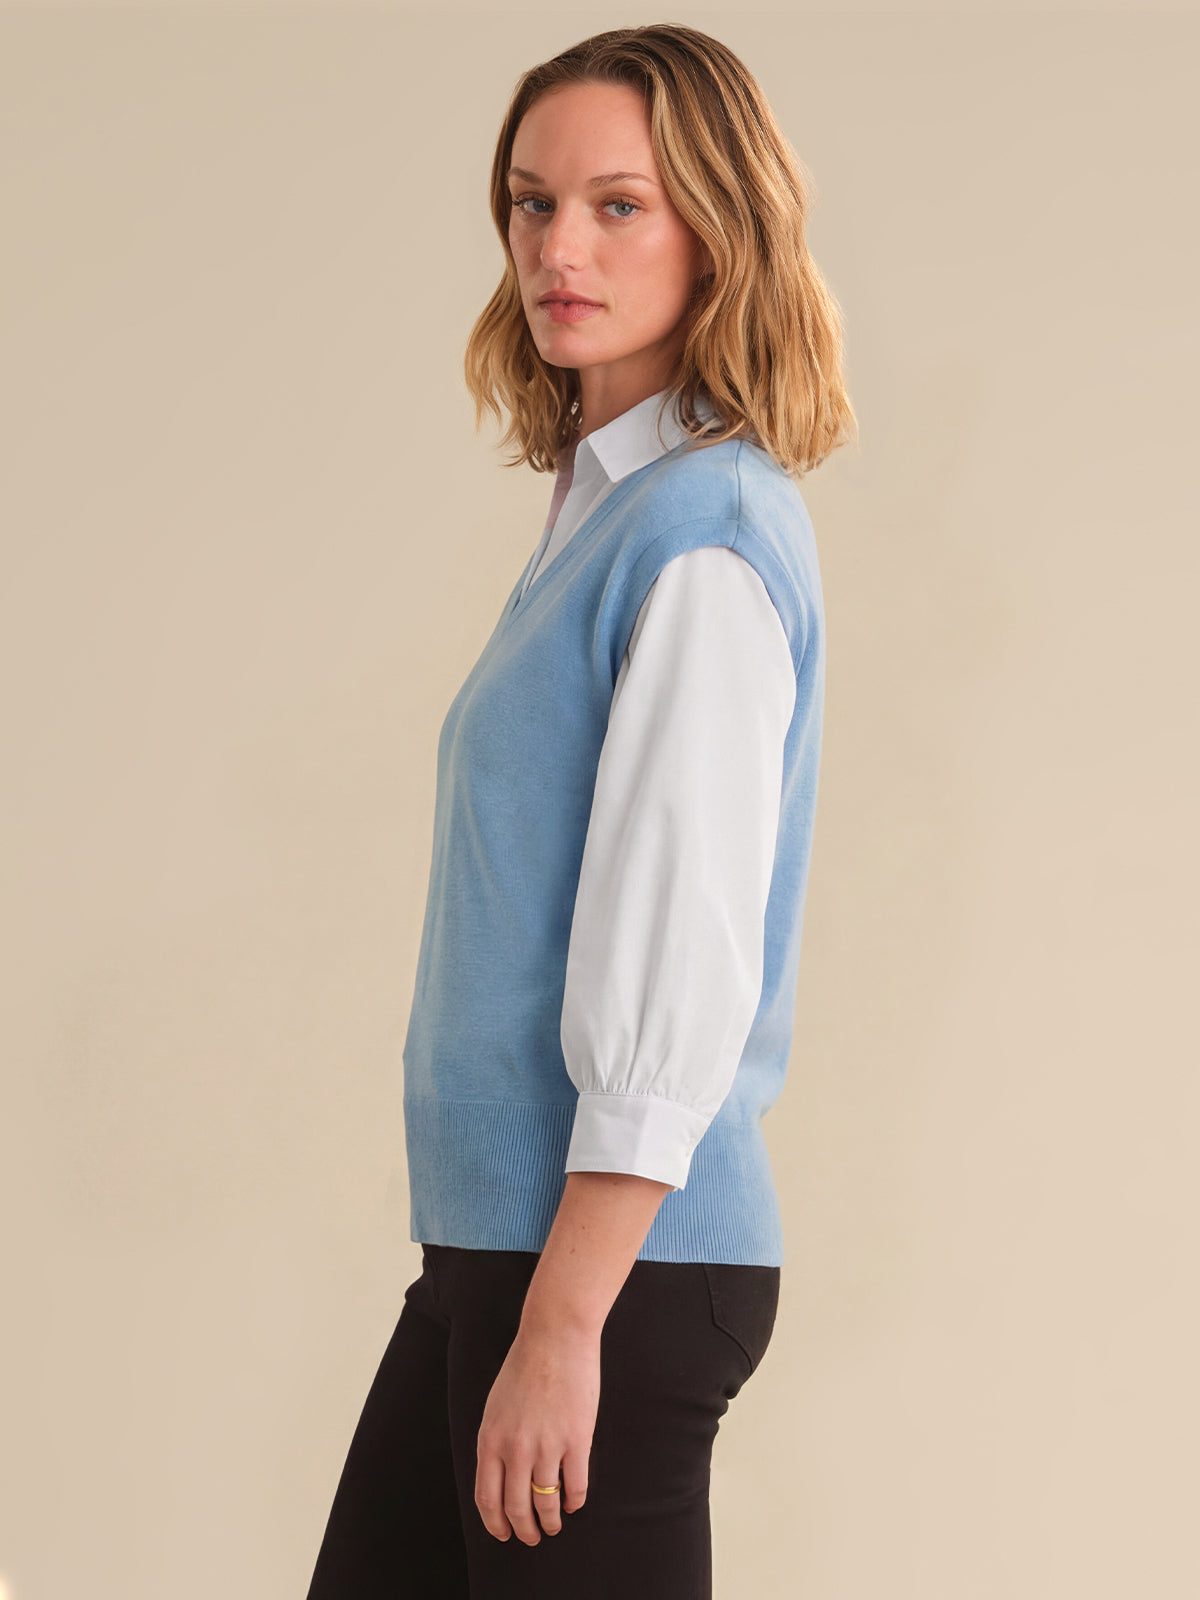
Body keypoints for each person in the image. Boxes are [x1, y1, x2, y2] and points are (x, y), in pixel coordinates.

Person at [304, 22, 856, 1599]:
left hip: (611, 1270)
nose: (560, 248)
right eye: (532, 203)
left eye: (620, 206)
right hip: (505, 1249)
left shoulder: (704, 537)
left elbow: (677, 956)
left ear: (717, 229)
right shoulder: (609, 504)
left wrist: (564, 1323)